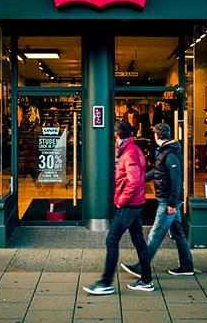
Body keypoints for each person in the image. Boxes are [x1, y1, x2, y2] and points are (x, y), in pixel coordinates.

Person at [83, 121, 153, 295]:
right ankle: (146, 280)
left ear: (117, 135)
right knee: (139, 241)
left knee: (111, 239)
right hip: (135, 203)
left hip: (129, 205)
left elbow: (135, 181)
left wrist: (122, 200)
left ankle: (105, 283)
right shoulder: (133, 150)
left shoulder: (129, 153)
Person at [121, 123, 194, 277]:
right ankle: (187, 266)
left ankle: (142, 266)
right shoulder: (166, 152)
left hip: (168, 201)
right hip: (168, 200)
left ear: (156, 136)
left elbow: (176, 181)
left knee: (155, 234)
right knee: (178, 233)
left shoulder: (170, 153)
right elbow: (158, 171)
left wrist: (172, 204)